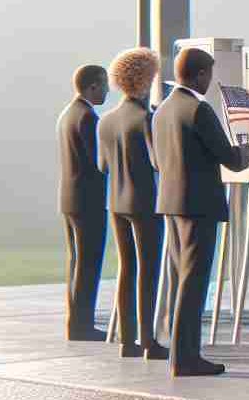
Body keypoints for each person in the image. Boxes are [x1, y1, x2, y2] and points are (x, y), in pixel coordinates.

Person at [153, 48, 249, 376]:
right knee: (193, 283)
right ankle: (185, 358)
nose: (210, 81)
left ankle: (182, 354)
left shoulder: (163, 109)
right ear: (199, 75)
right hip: (198, 206)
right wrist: (248, 151)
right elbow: (229, 157)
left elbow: (158, 160)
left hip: (172, 203)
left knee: (183, 279)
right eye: (208, 74)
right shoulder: (199, 110)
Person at [100, 48, 169, 360]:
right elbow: (159, 163)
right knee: (149, 270)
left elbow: (103, 166)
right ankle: (148, 341)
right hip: (144, 203)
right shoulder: (146, 119)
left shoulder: (106, 120)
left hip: (115, 201)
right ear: (145, 79)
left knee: (127, 269)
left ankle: (127, 340)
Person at [58, 63, 110, 342]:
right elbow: (99, 162)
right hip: (87, 201)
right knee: (89, 263)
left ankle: (76, 322)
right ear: (92, 86)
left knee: (76, 262)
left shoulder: (68, 114)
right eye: (104, 85)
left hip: (69, 198)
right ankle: (82, 325)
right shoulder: (88, 117)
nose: (107, 91)